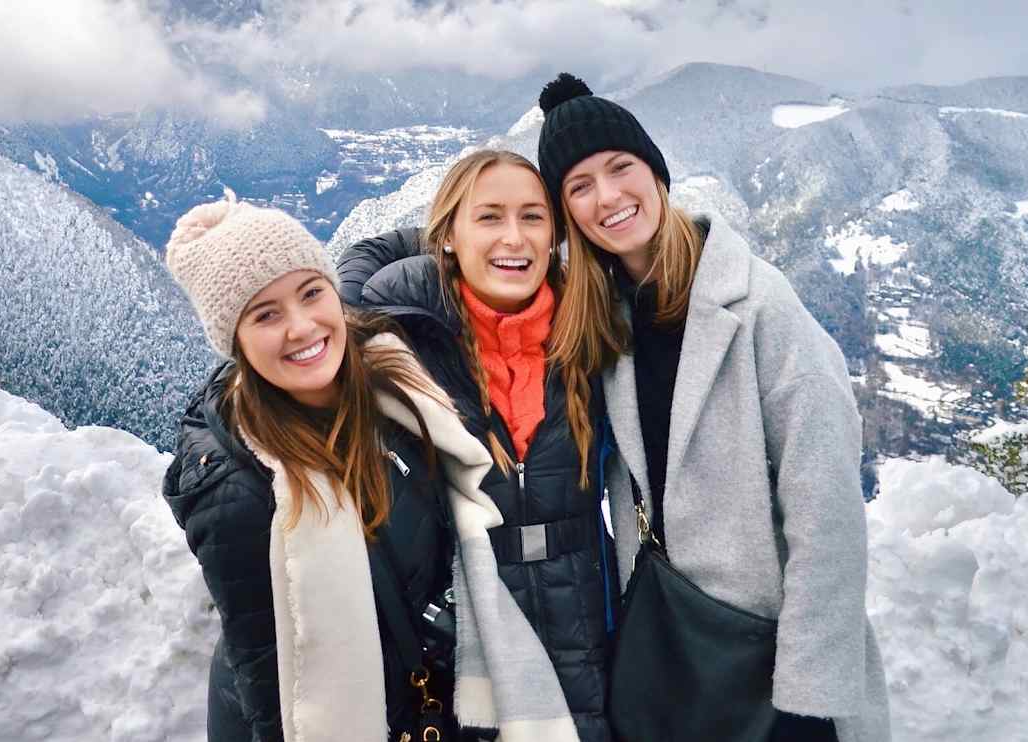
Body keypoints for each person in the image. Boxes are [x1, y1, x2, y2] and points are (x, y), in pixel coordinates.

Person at [536, 73, 892, 741]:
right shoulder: (600, 320)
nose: (608, 196)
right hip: (666, 650)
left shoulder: (758, 306)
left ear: (656, 172)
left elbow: (828, 511)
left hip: (766, 656)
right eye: (579, 187)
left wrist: (806, 691)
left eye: (621, 168)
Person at [160, 199, 577, 742]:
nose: (302, 326)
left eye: (312, 293)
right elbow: (270, 688)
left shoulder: (385, 383)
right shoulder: (240, 494)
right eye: (265, 314)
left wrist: (483, 244)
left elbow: (381, 251)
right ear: (234, 341)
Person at [337, 150, 615, 742]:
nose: (513, 238)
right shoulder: (402, 346)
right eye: (488, 217)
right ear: (447, 238)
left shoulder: (594, 332)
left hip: (591, 641)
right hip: (463, 660)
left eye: (532, 217)